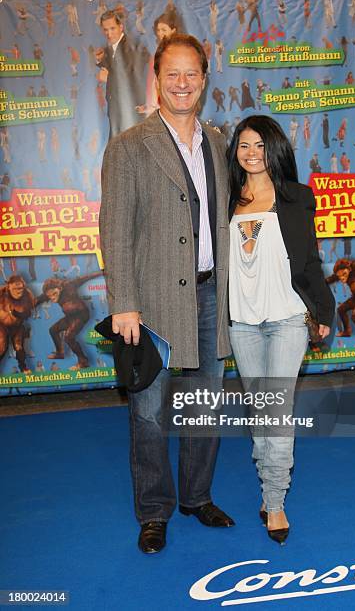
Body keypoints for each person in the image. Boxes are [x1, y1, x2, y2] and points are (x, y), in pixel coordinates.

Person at [99, 34, 234, 554]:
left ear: (204, 78)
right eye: (171, 74)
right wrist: (123, 303)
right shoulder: (129, 146)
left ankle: (197, 497)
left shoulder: (220, 144)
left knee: (206, 406)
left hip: (209, 298)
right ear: (156, 79)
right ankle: (153, 511)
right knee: (149, 412)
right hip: (149, 302)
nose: (182, 83)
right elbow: (115, 231)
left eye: (191, 74)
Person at [226, 116, 335, 543]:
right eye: (243, 146)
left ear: (275, 149)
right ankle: (269, 483)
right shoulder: (225, 200)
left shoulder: (296, 197)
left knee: (276, 410)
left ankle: (275, 502)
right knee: (260, 410)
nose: (251, 154)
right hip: (242, 323)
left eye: (259, 145)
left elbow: (309, 263)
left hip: (288, 318)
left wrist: (323, 311)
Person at [95, 10, 149, 138]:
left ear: (121, 27)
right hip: (117, 112)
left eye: (112, 28)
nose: (109, 33)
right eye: (105, 29)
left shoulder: (131, 48)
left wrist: (109, 78)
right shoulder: (110, 48)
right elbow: (113, 67)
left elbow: (132, 77)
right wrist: (100, 61)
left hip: (130, 111)